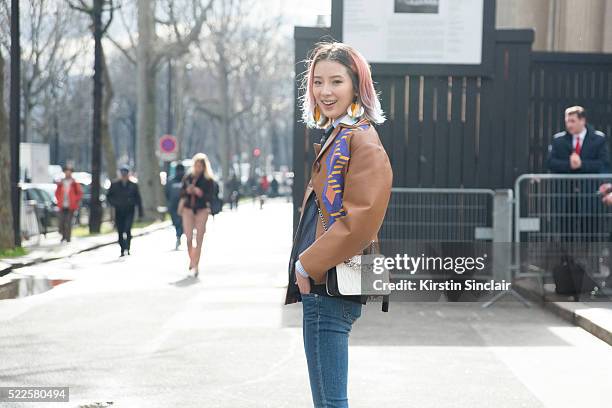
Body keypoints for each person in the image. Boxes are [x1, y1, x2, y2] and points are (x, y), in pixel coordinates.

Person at [284, 42, 393, 407]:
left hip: (330, 283)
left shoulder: (360, 139)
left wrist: (306, 264)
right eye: (317, 82)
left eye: (336, 81)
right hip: (330, 280)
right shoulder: (339, 134)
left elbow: (360, 220)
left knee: (330, 402)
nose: (325, 92)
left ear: (356, 85)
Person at [180, 153, 215, 277]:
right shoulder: (188, 177)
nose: (198, 168)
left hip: (201, 210)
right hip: (188, 209)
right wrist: (187, 191)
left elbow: (211, 197)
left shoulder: (208, 180)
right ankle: (192, 259)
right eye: (196, 165)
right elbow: (181, 192)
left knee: (199, 238)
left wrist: (200, 192)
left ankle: (196, 264)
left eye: (201, 166)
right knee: (188, 238)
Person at [547, 106, 609, 174]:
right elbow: (550, 163)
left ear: (582, 121)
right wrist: (569, 165)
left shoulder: (598, 139)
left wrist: (581, 164)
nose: (569, 125)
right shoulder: (558, 140)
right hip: (565, 183)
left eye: (572, 121)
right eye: (567, 121)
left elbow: (604, 164)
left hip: (589, 183)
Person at [107, 165, 143, 257]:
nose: (124, 176)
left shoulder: (133, 185)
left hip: (129, 210)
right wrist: (115, 203)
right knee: (120, 231)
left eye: (125, 174)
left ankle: (128, 247)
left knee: (127, 229)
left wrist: (140, 212)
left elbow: (138, 198)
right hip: (119, 211)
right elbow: (109, 196)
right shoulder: (114, 185)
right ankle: (122, 249)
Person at [54, 164, 83, 243]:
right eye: (66, 172)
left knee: (69, 222)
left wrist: (75, 200)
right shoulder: (61, 183)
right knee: (62, 222)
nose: (68, 173)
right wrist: (59, 200)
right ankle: (63, 236)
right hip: (62, 205)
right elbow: (57, 193)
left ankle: (68, 237)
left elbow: (79, 193)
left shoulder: (74, 183)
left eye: (69, 172)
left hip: (71, 205)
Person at [166, 163, 186, 249]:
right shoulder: (171, 181)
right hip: (173, 206)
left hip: (185, 206)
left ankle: (179, 236)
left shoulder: (186, 181)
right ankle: (179, 235)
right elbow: (166, 193)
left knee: (181, 223)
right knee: (176, 222)